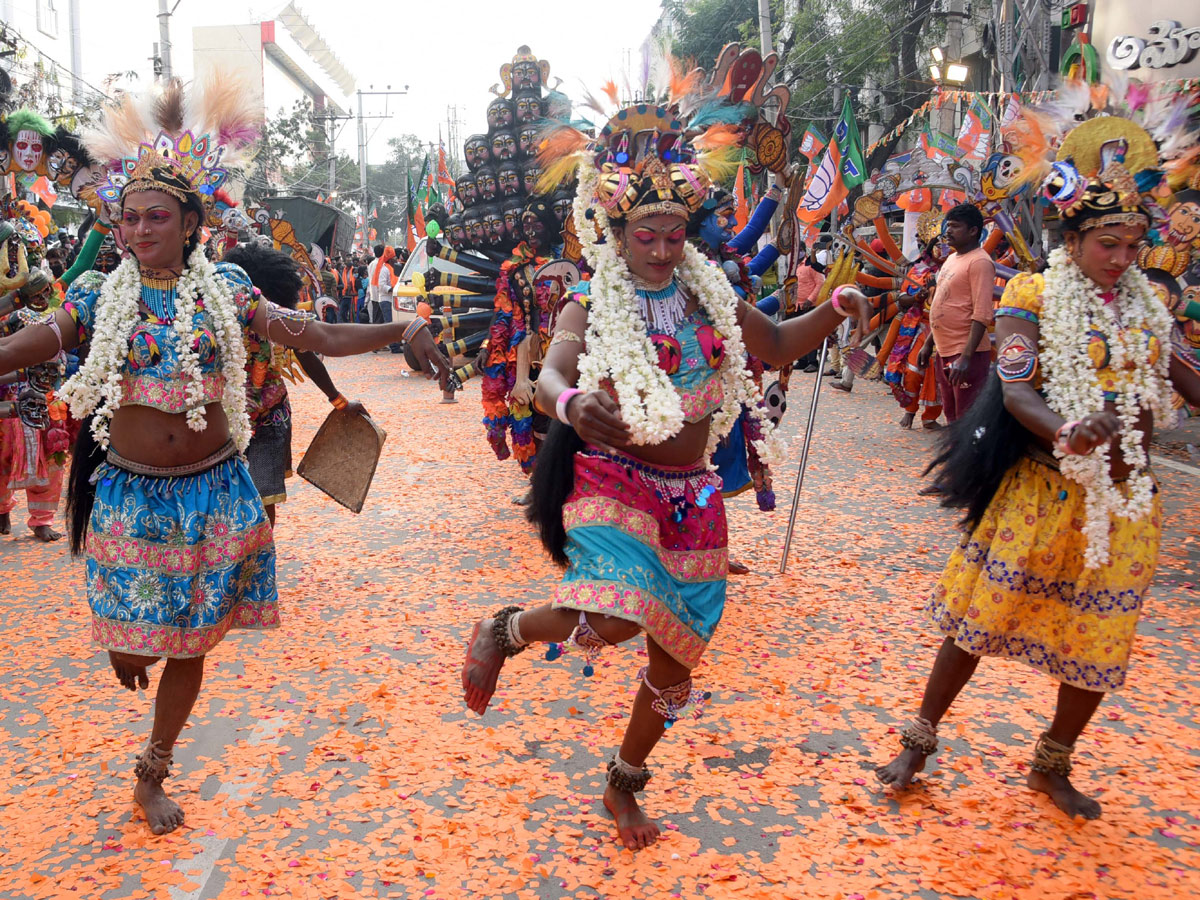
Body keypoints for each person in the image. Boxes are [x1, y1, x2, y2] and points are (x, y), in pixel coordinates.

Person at [0, 79, 449, 836]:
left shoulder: (231, 289)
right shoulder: (99, 294)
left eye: (156, 217)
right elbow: (35, 341)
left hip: (214, 492)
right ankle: (126, 649)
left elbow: (312, 334)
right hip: (130, 496)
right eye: (129, 218)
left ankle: (153, 770)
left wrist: (398, 330)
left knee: (192, 639)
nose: (140, 230)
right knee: (130, 639)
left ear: (191, 223)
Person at [461, 105, 872, 851]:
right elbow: (553, 372)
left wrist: (836, 310)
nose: (659, 251)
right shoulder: (593, 300)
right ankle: (507, 628)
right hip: (615, 478)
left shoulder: (709, 295)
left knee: (676, 659)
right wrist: (573, 400)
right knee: (618, 614)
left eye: (674, 236)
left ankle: (624, 781)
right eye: (643, 236)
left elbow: (777, 343)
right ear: (615, 235)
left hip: (696, 494)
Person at [875, 119, 1200, 820]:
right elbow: (1018, 391)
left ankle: (1052, 763)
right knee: (976, 624)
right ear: (1073, 242)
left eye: (1132, 246)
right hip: (1044, 493)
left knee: (1100, 638)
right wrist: (1071, 431)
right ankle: (917, 743)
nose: (1121, 258)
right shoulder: (1033, 296)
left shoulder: (1147, 307)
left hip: (1126, 503)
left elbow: (1185, 376)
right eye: (1106, 245)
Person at [223, 243, 368, 525]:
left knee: (263, 502)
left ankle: (260, 558)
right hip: (222, 424)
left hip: (269, 419)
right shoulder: (218, 320)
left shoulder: (278, 320)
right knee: (225, 503)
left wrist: (339, 401)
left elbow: (308, 354)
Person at [917, 203, 995, 422]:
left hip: (965, 353)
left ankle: (969, 457)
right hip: (944, 350)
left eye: (955, 226)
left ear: (973, 231)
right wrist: (929, 343)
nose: (948, 231)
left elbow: (982, 313)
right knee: (951, 415)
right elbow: (944, 303)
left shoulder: (980, 262)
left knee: (967, 418)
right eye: (947, 226)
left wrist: (966, 356)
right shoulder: (951, 259)